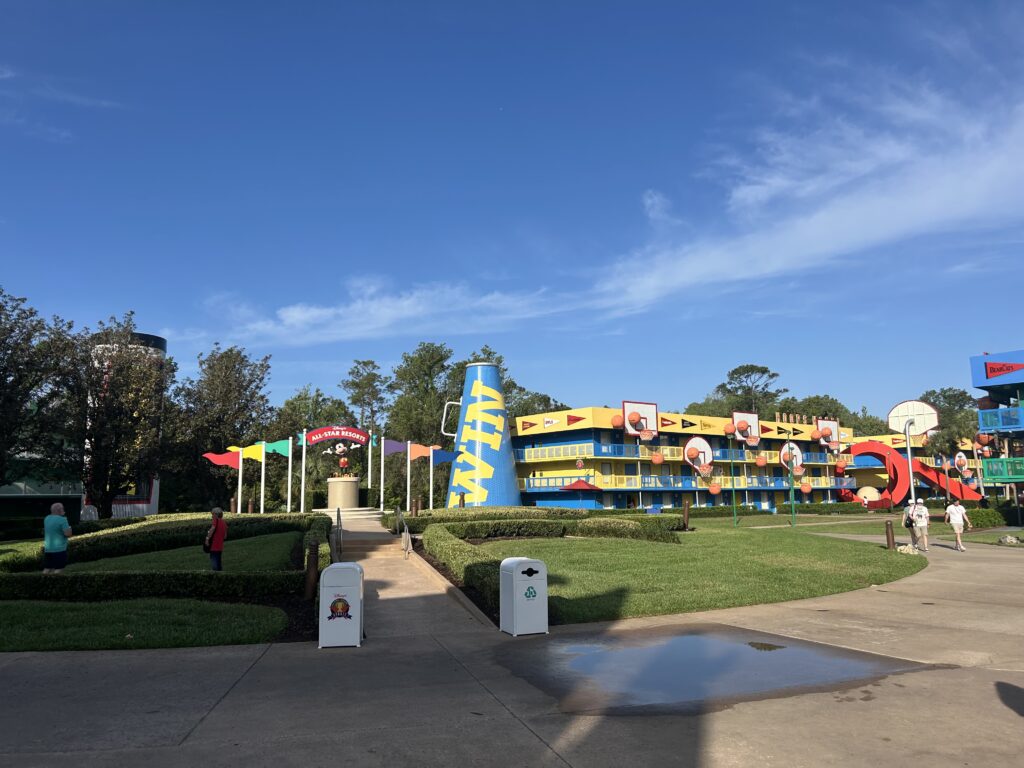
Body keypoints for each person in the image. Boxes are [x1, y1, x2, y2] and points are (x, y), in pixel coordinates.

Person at [42, 502, 73, 574]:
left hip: (48, 549)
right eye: (63, 508)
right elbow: (68, 534)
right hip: (59, 549)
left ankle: (42, 580)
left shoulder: (46, 518)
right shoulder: (63, 520)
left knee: (47, 568)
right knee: (59, 569)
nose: (64, 510)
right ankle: (55, 580)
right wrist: (69, 527)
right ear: (60, 510)